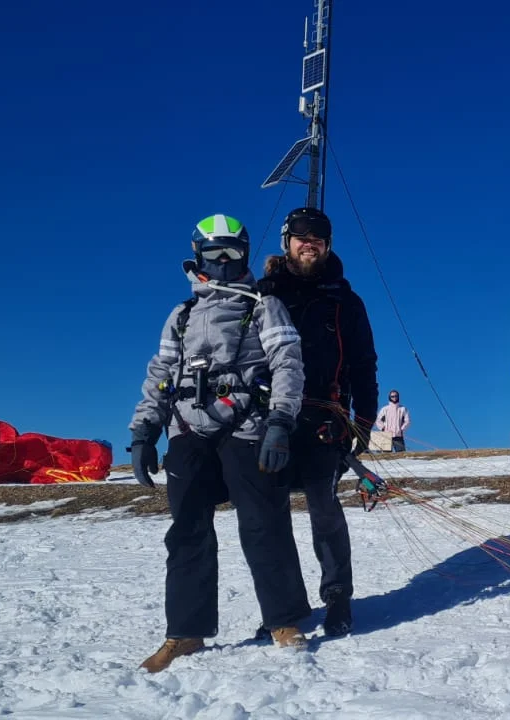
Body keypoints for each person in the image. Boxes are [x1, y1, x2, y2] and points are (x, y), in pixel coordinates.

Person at [129, 213, 313, 673]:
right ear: (198, 257)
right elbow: (160, 373)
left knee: (263, 523)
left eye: (234, 253)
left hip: (247, 427)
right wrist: (142, 432)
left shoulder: (264, 306)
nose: (225, 263)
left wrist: (280, 422)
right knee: (187, 530)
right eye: (216, 254)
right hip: (187, 430)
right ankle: (185, 633)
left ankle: (284, 620)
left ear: (247, 255)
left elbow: (288, 363)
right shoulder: (182, 314)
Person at [256, 206, 379, 637]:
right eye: (302, 236)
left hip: (326, 419)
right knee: (268, 516)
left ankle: (338, 601)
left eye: (320, 237)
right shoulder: (263, 295)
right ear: (287, 241)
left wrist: (362, 421)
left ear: (327, 245)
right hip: (272, 421)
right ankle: (285, 610)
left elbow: (364, 363)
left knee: (324, 512)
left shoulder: (345, 299)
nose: (311, 243)